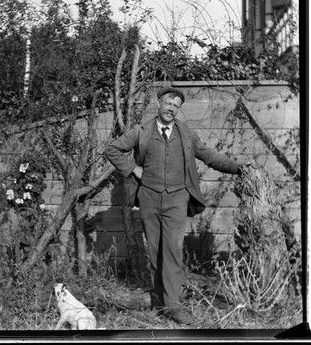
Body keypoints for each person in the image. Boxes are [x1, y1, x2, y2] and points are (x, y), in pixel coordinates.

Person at [105, 87, 253, 325]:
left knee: (172, 251)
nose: (171, 109)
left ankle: (172, 306)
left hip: (176, 199)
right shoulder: (141, 131)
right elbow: (112, 149)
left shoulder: (187, 134)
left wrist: (238, 167)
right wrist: (132, 168)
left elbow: (210, 157)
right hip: (149, 199)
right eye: (168, 103)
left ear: (178, 109)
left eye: (176, 106)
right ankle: (159, 301)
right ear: (159, 104)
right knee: (155, 252)